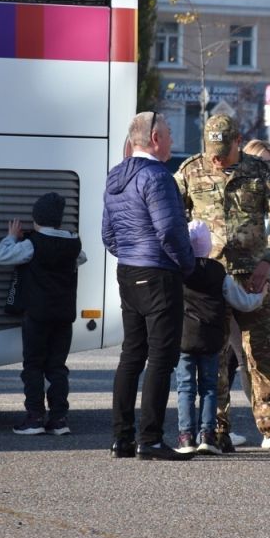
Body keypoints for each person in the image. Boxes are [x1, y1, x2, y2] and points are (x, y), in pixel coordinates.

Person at [175, 114, 270, 455]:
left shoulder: (260, 172)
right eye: (212, 152)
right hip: (208, 280)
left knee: (264, 353)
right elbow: (171, 218)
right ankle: (215, 429)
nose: (217, 159)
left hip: (252, 278)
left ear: (238, 141)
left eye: (223, 152)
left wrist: (267, 260)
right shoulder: (190, 171)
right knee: (213, 357)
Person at [102, 111, 196, 461]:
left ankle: (121, 438)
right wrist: (187, 264)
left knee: (131, 355)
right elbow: (170, 231)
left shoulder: (116, 176)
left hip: (128, 270)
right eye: (169, 134)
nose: (172, 140)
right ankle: (151, 439)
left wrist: (130, 253)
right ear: (155, 138)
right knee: (161, 357)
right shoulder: (158, 176)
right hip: (158, 273)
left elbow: (108, 234)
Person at [0, 192, 86, 436]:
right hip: (64, 316)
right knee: (57, 367)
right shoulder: (73, 243)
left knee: (33, 365)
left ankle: (35, 418)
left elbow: (2, 256)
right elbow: (81, 258)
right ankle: (59, 419)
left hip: (37, 315)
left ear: (37, 218)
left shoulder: (32, 244)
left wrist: (11, 238)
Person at [175, 220, 265, 455]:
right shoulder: (219, 273)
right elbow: (242, 302)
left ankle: (185, 437)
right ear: (208, 246)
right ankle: (207, 435)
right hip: (212, 338)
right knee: (209, 388)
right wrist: (260, 295)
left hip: (183, 338)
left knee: (185, 387)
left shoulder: (178, 272)